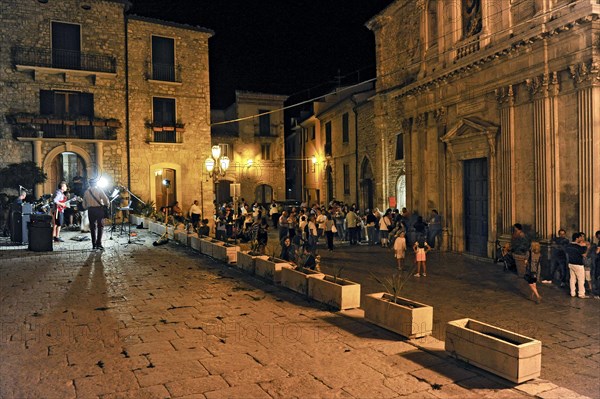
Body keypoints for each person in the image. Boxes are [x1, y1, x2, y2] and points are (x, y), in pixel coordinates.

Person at [82, 178, 109, 250]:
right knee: (100, 226)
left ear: (89, 184)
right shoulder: (99, 190)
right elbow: (105, 200)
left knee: (92, 227)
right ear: (96, 183)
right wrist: (107, 205)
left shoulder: (86, 192)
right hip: (99, 209)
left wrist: (87, 206)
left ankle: (93, 244)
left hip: (90, 210)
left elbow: (84, 204)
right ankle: (99, 243)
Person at [565, 232, 588, 298]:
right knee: (581, 279)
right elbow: (584, 255)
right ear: (577, 238)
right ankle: (581, 294)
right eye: (581, 237)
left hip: (571, 263)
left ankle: (572, 293)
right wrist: (585, 246)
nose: (582, 238)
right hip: (578, 264)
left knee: (572, 279)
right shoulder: (578, 247)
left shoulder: (569, 245)